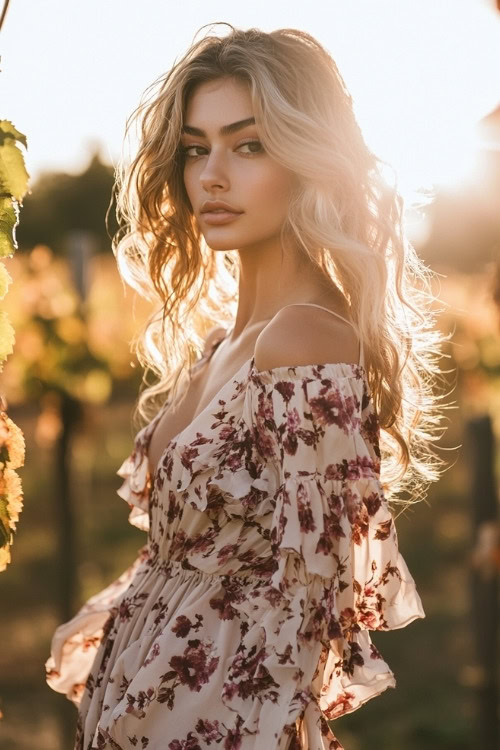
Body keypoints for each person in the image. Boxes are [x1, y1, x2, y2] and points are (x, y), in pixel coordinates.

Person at [45, 23, 451, 750]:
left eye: (249, 144)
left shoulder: (305, 338)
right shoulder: (221, 345)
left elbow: (309, 603)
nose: (212, 175)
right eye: (196, 148)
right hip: (140, 702)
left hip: (213, 727)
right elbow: (183, 558)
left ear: (307, 159)